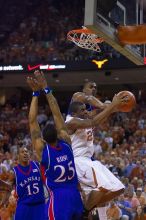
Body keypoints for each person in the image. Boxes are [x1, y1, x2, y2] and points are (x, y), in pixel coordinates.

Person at [27, 70, 83, 220]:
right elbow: (57, 113)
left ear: (43, 139)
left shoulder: (42, 150)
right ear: (58, 134)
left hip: (59, 199)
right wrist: (46, 87)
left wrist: (35, 94)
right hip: (75, 196)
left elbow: (32, 122)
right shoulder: (66, 141)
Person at [65, 96, 126, 219]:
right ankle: (85, 212)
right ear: (74, 113)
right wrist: (112, 106)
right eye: (83, 110)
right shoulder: (71, 122)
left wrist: (115, 105)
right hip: (79, 161)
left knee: (119, 188)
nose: (86, 111)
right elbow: (94, 122)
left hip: (89, 161)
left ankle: (88, 206)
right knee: (102, 187)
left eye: (86, 109)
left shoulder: (84, 119)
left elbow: (100, 115)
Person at [7, 146, 46, 220]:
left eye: (26, 151)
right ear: (18, 156)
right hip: (24, 207)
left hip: (40, 205)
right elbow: (8, 187)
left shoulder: (37, 166)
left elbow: (46, 180)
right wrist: (10, 196)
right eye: (22, 152)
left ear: (29, 154)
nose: (25, 153)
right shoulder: (14, 172)